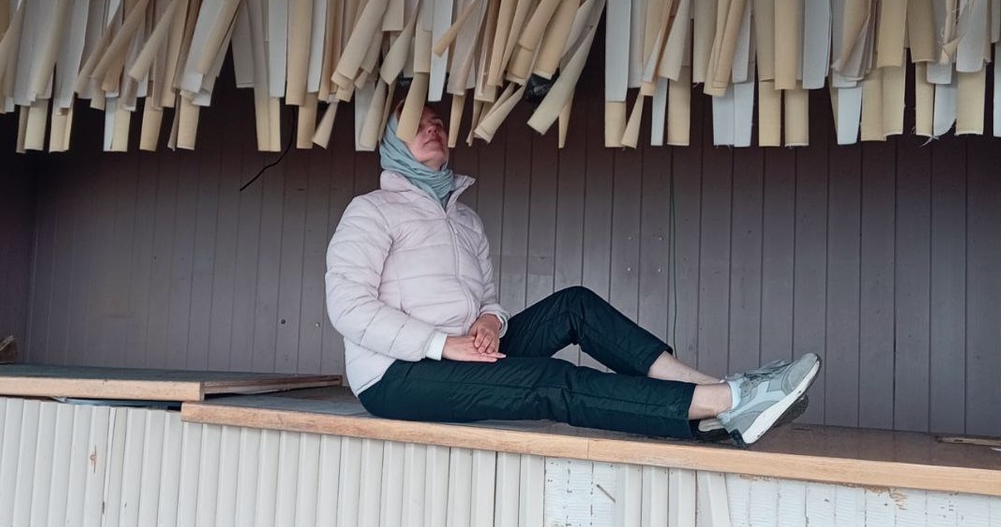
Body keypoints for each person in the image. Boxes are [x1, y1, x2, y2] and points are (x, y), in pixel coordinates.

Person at [325, 100, 820, 446]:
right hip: (397, 375)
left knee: (574, 305)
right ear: (391, 143)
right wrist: (441, 344)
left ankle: (718, 394)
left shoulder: (465, 219)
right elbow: (347, 307)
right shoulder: (371, 211)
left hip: (466, 353)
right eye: (416, 123)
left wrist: (490, 321)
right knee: (549, 381)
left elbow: (487, 297)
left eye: (437, 122)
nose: (432, 128)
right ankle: (727, 401)